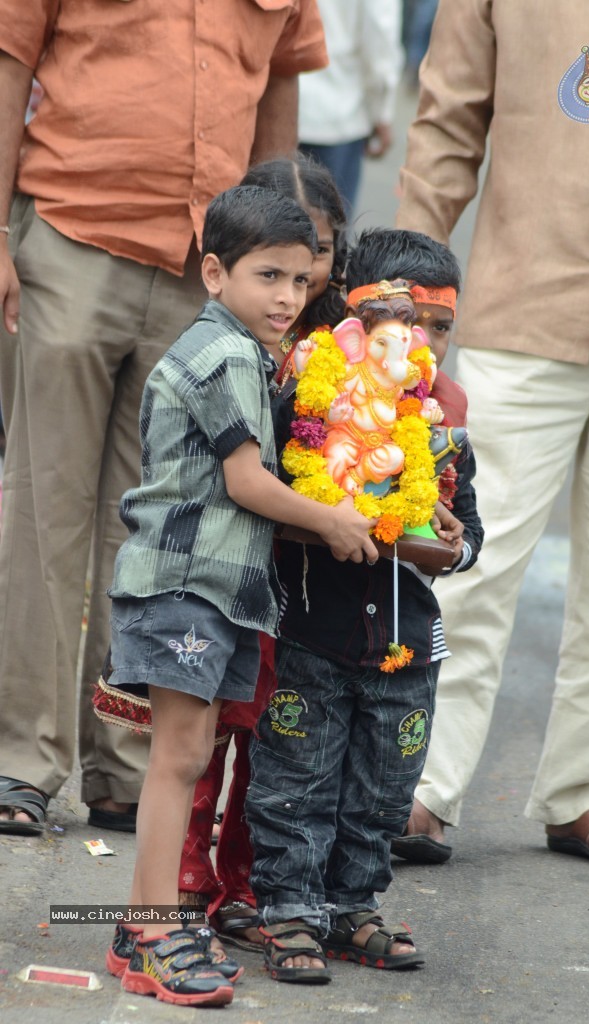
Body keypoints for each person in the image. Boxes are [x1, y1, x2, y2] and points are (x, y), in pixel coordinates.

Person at [0, 1, 328, 837]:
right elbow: (10, 58)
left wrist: (280, 267)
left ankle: (125, 764)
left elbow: (279, 92)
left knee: (171, 524)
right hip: (76, 235)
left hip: (206, 274)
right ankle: (22, 762)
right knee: (47, 506)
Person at [395, 0, 589, 872]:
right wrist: (401, 286)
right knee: (465, 562)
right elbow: (447, 121)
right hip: (523, 310)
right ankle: (420, 786)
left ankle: (582, 794)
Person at [103, 184, 378, 1006]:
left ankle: (140, 929)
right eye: (269, 277)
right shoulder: (223, 354)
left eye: (301, 280)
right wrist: (331, 521)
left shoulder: (240, 348)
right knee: (180, 761)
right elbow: (247, 481)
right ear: (216, 272)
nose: (289, 298)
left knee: (184, 760)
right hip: (186, 584)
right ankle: (153, 931)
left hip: (216, 592)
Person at [244, 276, 481, 984]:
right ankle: (288, 911)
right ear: (351, 328)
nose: (417, 344)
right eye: (401, 328)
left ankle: (354, 909)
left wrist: (437, 529)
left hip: (406, 652)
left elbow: (469, 544)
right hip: (314, 633)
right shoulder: (306, 403)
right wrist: (332, 520)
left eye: (436, 329)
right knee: (297, 780)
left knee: (382, 790)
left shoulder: (437, 431)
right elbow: (269, 505)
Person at [176, 153, 349, 951]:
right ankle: (181, 889)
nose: (300, 278)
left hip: (300, 582)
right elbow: (241, 475)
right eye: (281, 261)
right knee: (199, 737)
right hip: (225, 568)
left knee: (273, 737)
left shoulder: (343, 342)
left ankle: (241, 885)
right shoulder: (229, 345)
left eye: (318, 252)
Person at [298, 0, 403, 216]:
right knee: (331, 234)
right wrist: (381, 112)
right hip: (339, 109)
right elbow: (379, 31)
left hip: (281, 103)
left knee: (272, 233)